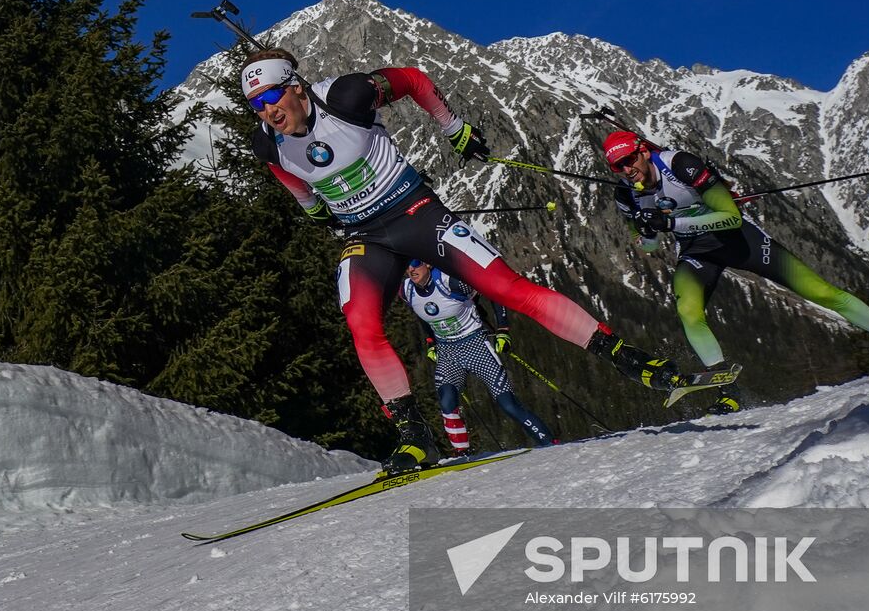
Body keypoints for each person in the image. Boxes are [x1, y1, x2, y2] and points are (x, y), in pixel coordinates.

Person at [243, 48, 693, 472]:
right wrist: (312, 207)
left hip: (414, 213)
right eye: (255, 105)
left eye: (271, 96)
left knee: (506, 289)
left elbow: (415, 80)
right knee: (361, 322)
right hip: (366, 235)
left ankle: (629, 359)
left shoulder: (347, 95)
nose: (267, 111)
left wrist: (453, 127)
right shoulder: (267, 141)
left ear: (297, 87)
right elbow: (285, 172)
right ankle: (414, 435)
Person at [602, 130, 869, 413]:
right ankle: (728, 391)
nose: (626, 169)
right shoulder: (626, 194)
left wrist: (671, 223)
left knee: (819, 292)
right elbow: (649, 246)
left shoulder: (680, 164)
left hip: (739, 240)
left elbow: (731, 217)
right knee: (687, 309)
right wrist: (647, 231)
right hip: (696, 252)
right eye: (617, 166)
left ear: (643, 151)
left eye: (629, 160)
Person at [401, 258, 555, 455]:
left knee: (507, 404)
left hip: (475, 345)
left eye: (416, 263)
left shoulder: (450, 282)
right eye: (407, 265)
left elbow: (492, 290)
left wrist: (503, 330)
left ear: (429, 264)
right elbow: (421, 312)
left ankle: (549, 442)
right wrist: (431, 341)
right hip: (448, 352)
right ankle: (463, 454)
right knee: (447, 402)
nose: (411, 269)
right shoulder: (406, 290)